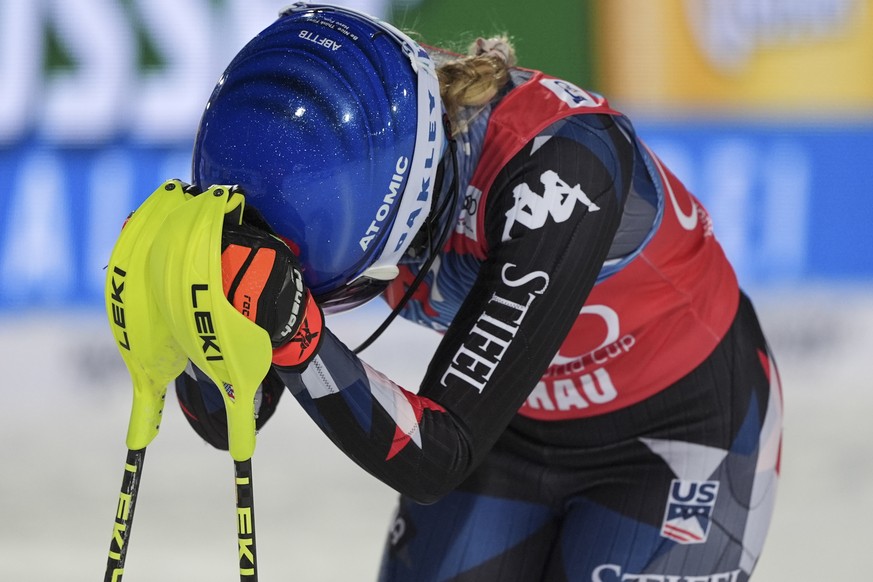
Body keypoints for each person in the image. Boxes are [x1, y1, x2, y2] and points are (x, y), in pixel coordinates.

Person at [173, 4, 782, 581]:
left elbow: (437, 454)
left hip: (679, 434)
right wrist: (191, 310)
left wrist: (300, 338)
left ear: (403, 210)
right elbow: (236, 419)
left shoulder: (557, 171)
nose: (340, 291)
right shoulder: (332, 172)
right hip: (507, 429)